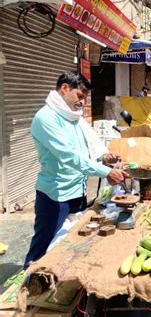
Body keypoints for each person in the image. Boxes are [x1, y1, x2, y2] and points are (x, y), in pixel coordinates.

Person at [24, 72, 128, 268]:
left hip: (78, 191)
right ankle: (28, 286)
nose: (83, 102)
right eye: (80, 96)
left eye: (85, 98)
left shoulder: (74, 118)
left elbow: (84, 148)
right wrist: (106, 172)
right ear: (65, 88)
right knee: (43, 246)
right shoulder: (46, 118)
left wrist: (103, 156)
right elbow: (69, 156)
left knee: (71, 241)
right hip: (55, 195)